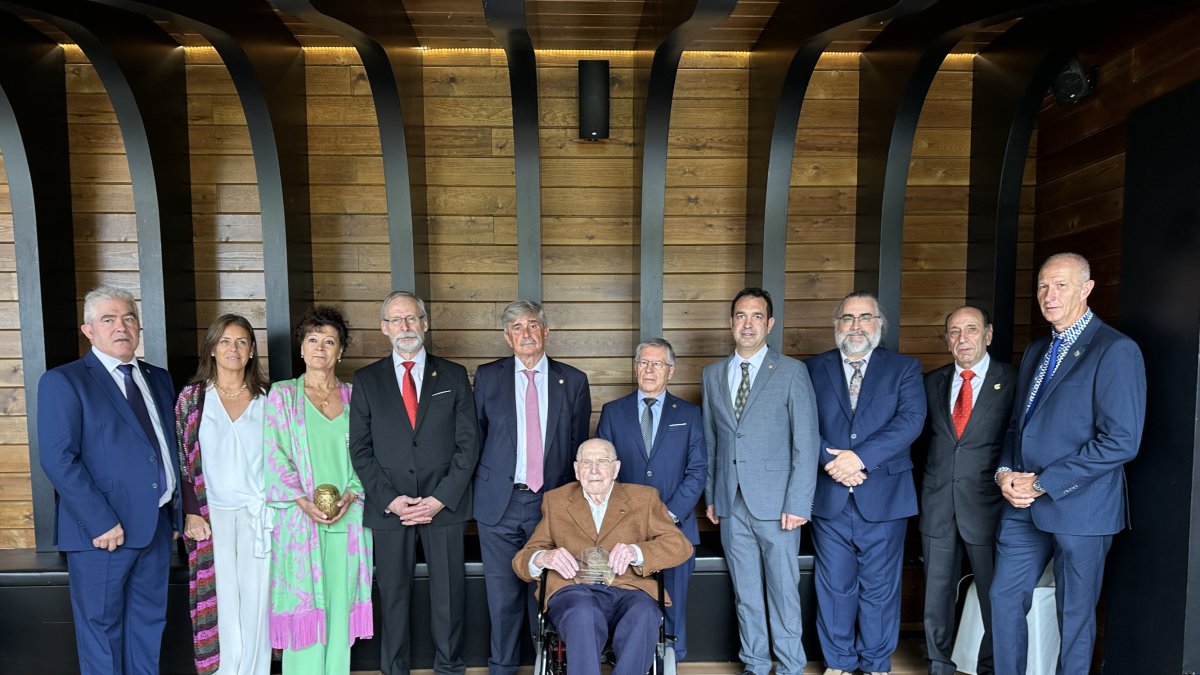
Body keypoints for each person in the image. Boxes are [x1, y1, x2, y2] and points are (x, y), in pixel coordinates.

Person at [990, 253, 1146, 675]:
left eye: (1060, 285)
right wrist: (1004, 474)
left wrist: (1043, 482)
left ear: (1086, 289)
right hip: (1021, 506)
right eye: (1043, 286)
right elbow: (1017, 428)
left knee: (1074, 617)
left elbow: (1121, 441)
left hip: (1082, 509)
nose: (1049, 295)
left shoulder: (1116, 350)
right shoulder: (1036, 350)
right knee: (1003, 598)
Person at [37, 285, 181, 675]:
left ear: (138, 326)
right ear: (89, 330)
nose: (121, 326)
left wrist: (174, 514)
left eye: (129, 318)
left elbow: (167, 447)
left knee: (148, 626)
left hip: (156, 527)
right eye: (109, 319)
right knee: (101, 631)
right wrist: (100, 521)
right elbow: (58, 459)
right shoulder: (64, 381)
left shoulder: (158, 378)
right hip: (102, 533)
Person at [349, 291, 480, 675]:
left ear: (424, 323)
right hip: (391, 509)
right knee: (392, 598)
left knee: (449, 597)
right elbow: (360, 448)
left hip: (444, 507)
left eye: (411, 318)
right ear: (384, 328)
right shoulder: (366, 379)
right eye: (396, 320)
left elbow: (469, 444)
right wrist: (390, 500)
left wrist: (439, 498)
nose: (404, 327)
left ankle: (449, 667)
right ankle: (394, 670)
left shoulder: (453, 374)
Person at [702, 287, 820, 675]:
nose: (748, 324)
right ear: (731, 322)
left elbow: (806, 442)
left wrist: (798, 503)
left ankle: (789, 666)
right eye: (741, 315)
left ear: (769, 324)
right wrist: (712, 494)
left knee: (783, 591)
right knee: (746, 593)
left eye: (756, 316)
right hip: (730, 503)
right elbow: (712, 440)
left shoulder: (791, 371)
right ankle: (754, 663)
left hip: (778, 505)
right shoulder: (713, 374)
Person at [805, 291, 926, 675]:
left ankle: (875, 663)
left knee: (880, 588)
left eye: (865, 317)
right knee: (834, 586)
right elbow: (800, 423)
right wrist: (832, 461)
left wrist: (859, 459)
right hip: (830, 495)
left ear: (879, 325)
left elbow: (910, 421)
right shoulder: (812, 368)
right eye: (847, 318)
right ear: (836, 325)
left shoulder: (904, 368)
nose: (855, 326)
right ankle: (838, 663)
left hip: (885, 496)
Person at [473, 299, 592, 675]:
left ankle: (546, 668)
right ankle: (502, 668)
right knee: (502, 598)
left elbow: (577, 447)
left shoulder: (573, 381)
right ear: (507, 337)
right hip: (499, 504)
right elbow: (477, 438)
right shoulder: (487, 377)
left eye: (532, 325)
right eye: (517, 328)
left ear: (546, 332)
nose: (526, 334)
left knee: (547, 594)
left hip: (551, 504)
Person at [513, 438, 693, 675]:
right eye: (587, 462)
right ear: (577, 469)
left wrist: (637, 551)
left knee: (646, 614)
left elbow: (680, 546)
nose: (594, 470)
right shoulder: (556, 500)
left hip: (629, 589)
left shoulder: (644, 498)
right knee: (582, 612)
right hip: (574, 590)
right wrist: (544, 558)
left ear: (616, 468)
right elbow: (522, 560)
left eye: (602, 461)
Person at [263, 306, 373, 674]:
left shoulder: (356, 397)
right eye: (313, 340)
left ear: (340, 351)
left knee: (340, 612)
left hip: (348, 519)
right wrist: (302, 501)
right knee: (305, 615)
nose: (320, 348)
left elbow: (369, 455)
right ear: (301, 348)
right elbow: (274, 455)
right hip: (299, 522)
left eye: (329, 341)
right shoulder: (282, 395)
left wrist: (351, 494)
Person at [918, 307, 1015, 675]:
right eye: (954, 331)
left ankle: (989, 667)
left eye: (971, 329)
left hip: (989, 505)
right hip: (937, 502)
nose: (963, 338)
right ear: (947, 340)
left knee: (993, 594)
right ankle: (938, 664)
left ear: (988, 334)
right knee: (936, 593)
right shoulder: (931, 382)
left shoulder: (1013, 380)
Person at [597, 338, 707, 660]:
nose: (649, 369)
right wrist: (630, 519)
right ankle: (628, 659)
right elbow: (603, 472)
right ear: (635, 368)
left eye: (657, 363)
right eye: (643, 362)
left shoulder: (689, 414)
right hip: (623, 532)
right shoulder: (613, 412)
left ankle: (671, 659)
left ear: (670, 371)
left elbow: (697, 471)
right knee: (628, 603)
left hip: (676, 530)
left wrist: (667, 516)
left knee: (673, 604)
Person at [177, 313, 273, 675]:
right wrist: (191, 511)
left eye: (242, 342)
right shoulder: (192, 398)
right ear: (212, 349)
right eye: (225, 341)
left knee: (257, 599)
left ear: (252, 351)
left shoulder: (270, 397)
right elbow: (181, 459)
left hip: (260, 514)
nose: (233, 348)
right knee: (220, 600)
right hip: (210, 515)